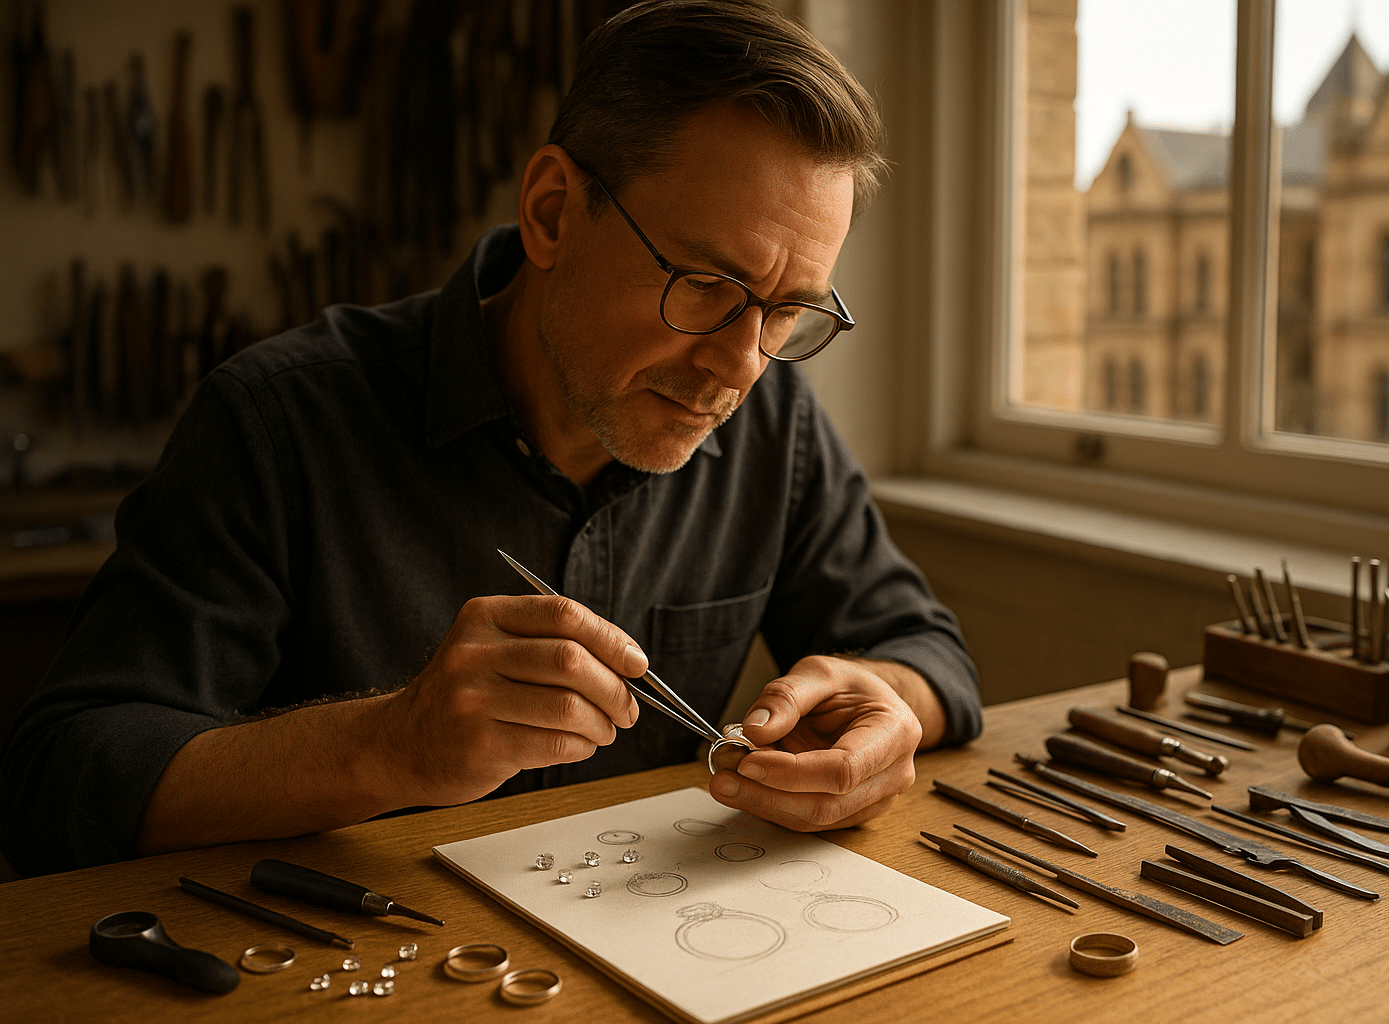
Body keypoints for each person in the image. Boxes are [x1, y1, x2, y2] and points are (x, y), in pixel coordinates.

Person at [0, 0, 981, 876]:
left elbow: (925, 649)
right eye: (709, 288)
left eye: (786, 313)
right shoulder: (276, 422)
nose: (740, 366)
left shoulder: (773, 418)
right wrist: (388, 745)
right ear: (553, 211)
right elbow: (64, 777)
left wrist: (890, 705)